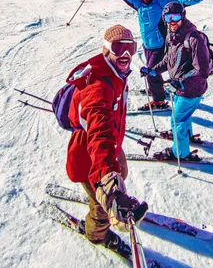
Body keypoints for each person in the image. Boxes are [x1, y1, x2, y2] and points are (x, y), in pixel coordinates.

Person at [64, 24, 148, 257]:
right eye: (119, 47)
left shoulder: (115, 73)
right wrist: (108, 184)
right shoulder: (99, 86)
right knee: (102, 208)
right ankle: (97, 233)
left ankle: (111, 190)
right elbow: (99, 132)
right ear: (106, 49)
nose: (125, 55)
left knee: (121, 169)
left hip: (111, 147)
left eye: (130, 48)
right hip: (90, 158)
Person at [95, 0, 213, 111]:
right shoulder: (139, 5)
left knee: (151, 72)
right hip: (148, 46)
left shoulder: (161, 4)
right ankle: (157, 89)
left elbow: (183, 1)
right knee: (152, 71)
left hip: (160, 46)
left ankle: (159, 100)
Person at [140, 2, 211, 161]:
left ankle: (180, 153)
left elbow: (202, 71)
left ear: (183, 16)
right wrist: (152, 70)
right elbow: (168, 60)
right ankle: (187, 135)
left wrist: (181, 82)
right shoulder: (171, 36)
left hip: (191, 89)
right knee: (183, 116)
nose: (172, 21)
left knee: (176, 119)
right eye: (168, 17)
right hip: (179, 88)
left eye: (176, 17)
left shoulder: (194, 38)